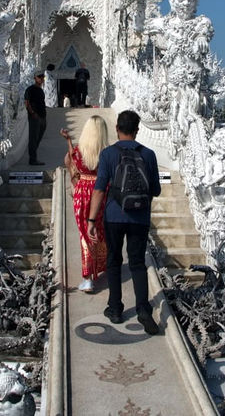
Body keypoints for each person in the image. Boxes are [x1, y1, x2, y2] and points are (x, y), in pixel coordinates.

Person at [87, 110, 161, 335]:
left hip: (114, 215)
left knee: (114, 260)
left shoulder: (108, 154)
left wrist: (91, 219)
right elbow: (155, 189)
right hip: (140, 217)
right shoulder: (148, 154)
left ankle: (115, 308)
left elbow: (99, 189)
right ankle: (144, 310)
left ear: (117, 128)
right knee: (137, 263)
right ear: (137, 130)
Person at [60, 116, 109, 293]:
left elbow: (72, 163)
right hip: (101, 191)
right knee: (99, 230)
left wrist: (69, 141)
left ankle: (87, 277)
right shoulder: (106, 153)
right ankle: (100, 265)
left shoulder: (79, 151)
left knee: (85, 234)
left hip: (82, 193)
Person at [24, 72, 47, 165]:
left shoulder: (41, 90)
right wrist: (32, 113)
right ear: (35, 78)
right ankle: (32, 159)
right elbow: (27, 102)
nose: (41, 79)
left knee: (38, 137)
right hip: (35, 117)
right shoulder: (30, 89)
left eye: (42, 77)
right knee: (33, 138)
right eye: (39, 77)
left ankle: (33, 156)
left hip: (42, 117)